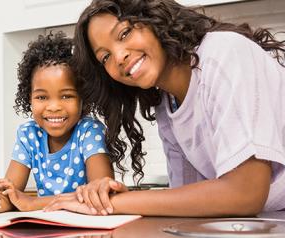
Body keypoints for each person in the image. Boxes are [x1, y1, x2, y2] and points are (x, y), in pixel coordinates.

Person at [44, 0, 285, 217]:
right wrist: (114, 199)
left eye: (125, 33)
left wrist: (118, 203)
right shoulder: (166, 104)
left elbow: (245, 193)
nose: (118, 57)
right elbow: (186, 200)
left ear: (153, 19)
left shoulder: (224, 53)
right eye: (105, 57)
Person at [0, 32, 114, 218]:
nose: (53, 107)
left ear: (83, 99)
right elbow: (9, 196)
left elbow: (100, 193)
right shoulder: (29, 134)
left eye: (66, 96)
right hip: (46, 226)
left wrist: (32, 203)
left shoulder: (89, 131)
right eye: (42, 97)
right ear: (29, 99)